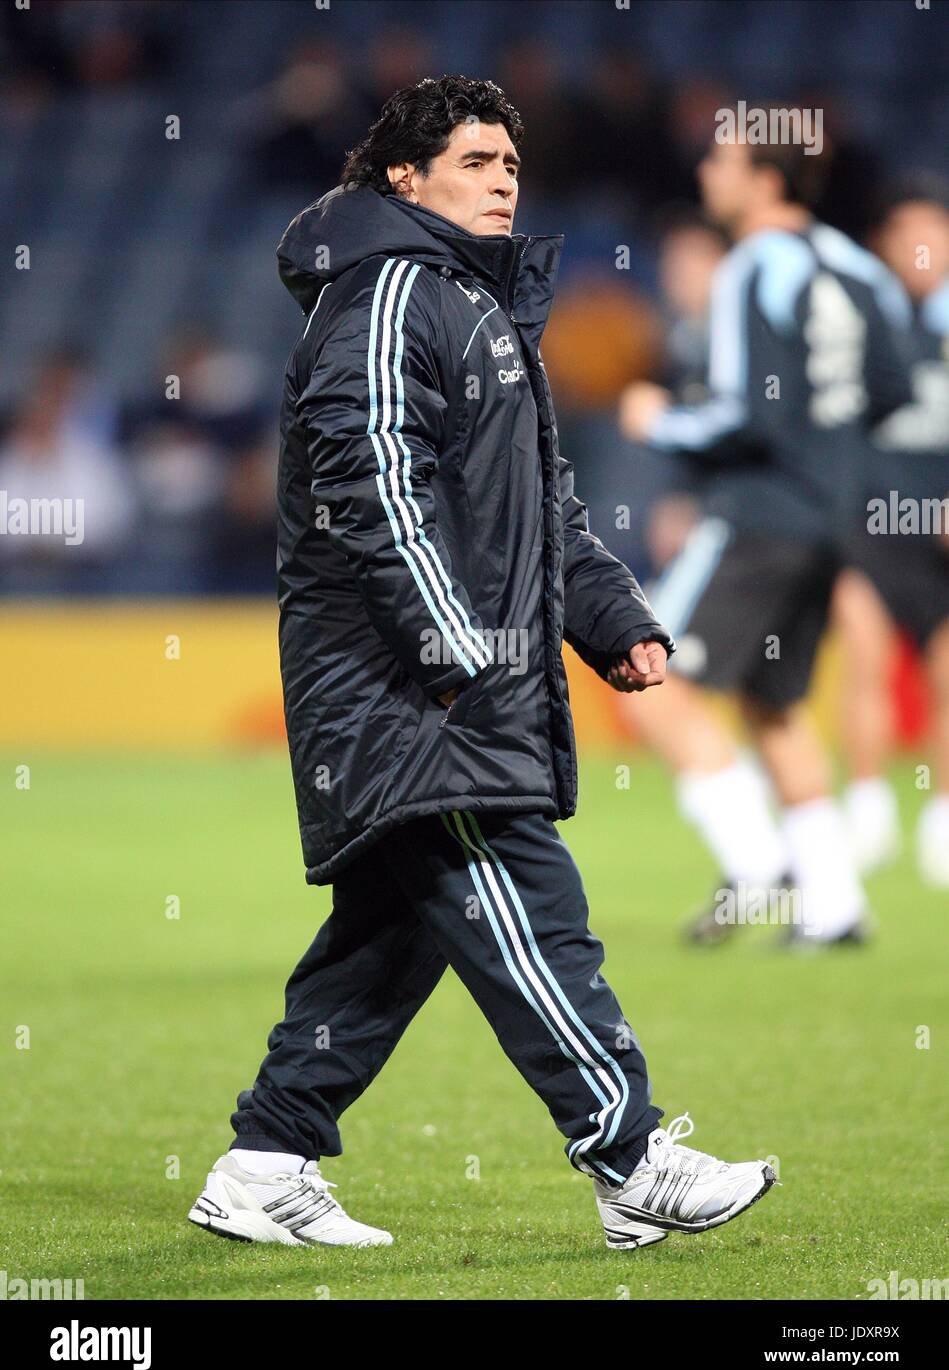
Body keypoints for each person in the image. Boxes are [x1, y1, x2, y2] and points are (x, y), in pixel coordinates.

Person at [188, 76, 776, 1251]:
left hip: (449, 682)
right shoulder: (390, 293)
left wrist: (608, 616)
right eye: (472, 161)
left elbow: (538, 509)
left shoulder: (467, 301)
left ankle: (266, 1159)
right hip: (410, 689)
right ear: (403, 178)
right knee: (528, 903)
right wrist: (450, 643)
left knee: (393, 934)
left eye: (509, 162)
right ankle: (627, 1152)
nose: (502, 179)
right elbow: (376, 484)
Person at [621, 111, 912, 947]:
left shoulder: (751, 265)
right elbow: (892, 388)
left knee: (644, 675)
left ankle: (757, 867)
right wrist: (832, 452)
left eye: (722, 157)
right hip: (830, 519)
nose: (707, 171)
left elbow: (744, 411)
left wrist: (659, 420)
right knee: (774, 706)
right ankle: (832, 904)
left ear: (767, 179)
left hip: (757, 514)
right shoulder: (860, 266)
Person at [834, 176, 949, 884]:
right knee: (863, 660)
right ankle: (868, 808)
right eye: (905, 234)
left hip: (940, 521)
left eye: (932, 234)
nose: (919, 248)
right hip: (871, 519)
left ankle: (940, 817)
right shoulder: (859, 324)